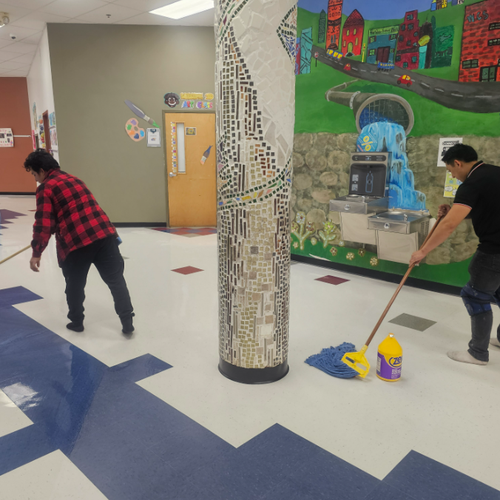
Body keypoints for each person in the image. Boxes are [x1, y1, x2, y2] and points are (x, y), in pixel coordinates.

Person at [25, 149, 135, 334]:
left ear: (42, 171)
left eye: (35, 174)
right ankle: (127, 323)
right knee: (116, 281)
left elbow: (43, 223)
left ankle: (76, 322)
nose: (36, 179)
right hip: (104, 235)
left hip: (77, 242)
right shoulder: (75, 179)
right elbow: (83, 209)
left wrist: (37, 252)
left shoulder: (45, 187)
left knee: (75, 285)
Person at [410, 144, 500, 366]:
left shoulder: (470, 184)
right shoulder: (494, 173)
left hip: (494, 251)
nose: (453, 176)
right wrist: (453, 211)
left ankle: (477, 353)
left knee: (475, 295)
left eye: (451, 171)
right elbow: (489, 208)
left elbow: (449, 226)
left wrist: (422, 251)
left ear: (458, 163)